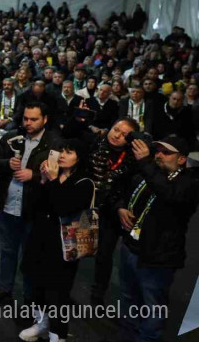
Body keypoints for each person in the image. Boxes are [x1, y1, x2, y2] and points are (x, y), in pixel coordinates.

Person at [115, 135, 198, 342]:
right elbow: (124, 190)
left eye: (166, 152)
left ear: (181, 159)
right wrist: (121, 208)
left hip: (157, 257)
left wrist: (145, 162)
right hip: (130, 248)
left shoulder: (189, 183)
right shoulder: (150, 173)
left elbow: (168, 194)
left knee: (152, 309)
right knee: (128, 300)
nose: (159, 155)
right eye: (157, 151)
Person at [19, 139, 94, 342]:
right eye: (62, 151)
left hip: (64, 245)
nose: (62, 155)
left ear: (80, 158)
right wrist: (43, 181)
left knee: (58, 291)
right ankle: (41, 324)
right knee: (38, 284)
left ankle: (58, 334)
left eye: (69, 152)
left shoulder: (85, 182)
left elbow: (64, 207)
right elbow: (37, 205)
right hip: (41, 237)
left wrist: (52, 181)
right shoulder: (55, 175)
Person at [0, 103, 58, 303]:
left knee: (31, 257)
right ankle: (4, 288)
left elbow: (59, 177)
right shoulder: (11, 137)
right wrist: (6, 164)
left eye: (34, 119)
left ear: (45, 119)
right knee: (7, 251)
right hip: (7, 205)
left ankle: (29, 298)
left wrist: (33, 176)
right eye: (26, 118)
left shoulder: (54, 143)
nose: (28, 123)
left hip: (34, 211)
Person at [64, 116, 139, 305]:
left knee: (104, 257)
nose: (118, 136)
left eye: (124, 135)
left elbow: (129, 187)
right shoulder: (93, 143)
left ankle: (97, 298)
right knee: (76, 252)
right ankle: (63, 293)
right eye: (116, 130)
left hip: (111, 212)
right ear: (110, 128)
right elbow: (69, 133)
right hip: (86, 206)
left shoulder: (133, 157)